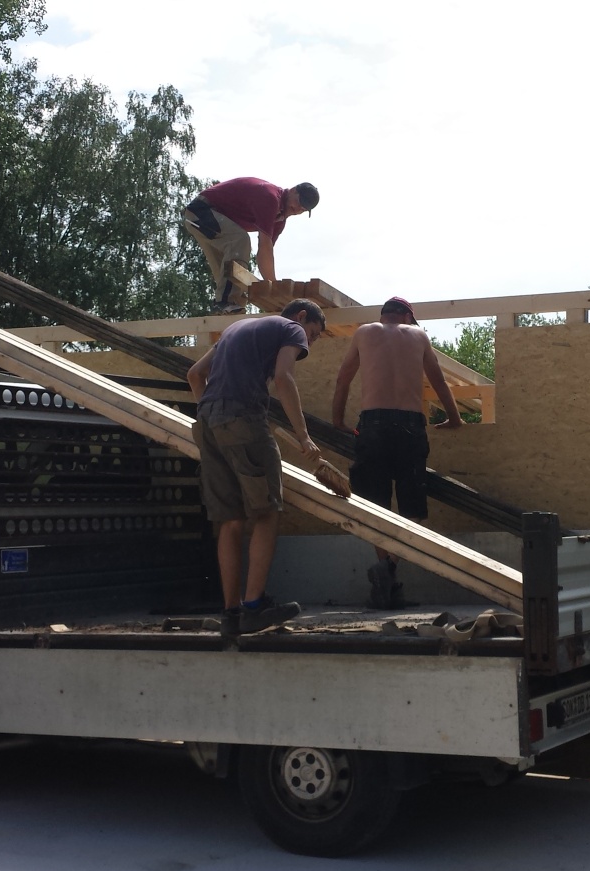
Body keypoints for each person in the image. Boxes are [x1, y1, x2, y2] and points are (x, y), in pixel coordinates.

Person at [186, 298, 327, 635]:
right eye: (313, 334)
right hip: (243, 418)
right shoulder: (290, 327)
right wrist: (303, 436)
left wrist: (215, 416)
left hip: (207, 423)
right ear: (302, 316)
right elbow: (284, 378)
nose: (308, 342)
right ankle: (253, 607)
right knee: (266, 512)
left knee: (231, 520)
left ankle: (231, 614)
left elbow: (194, 375)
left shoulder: (236, 328)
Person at [330, 296, 463, 609]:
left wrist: (338, 421)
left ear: (383, 316)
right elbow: (439, 381)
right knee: (412, 505)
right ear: (406, 316)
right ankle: (389, 568)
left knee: (374, 505)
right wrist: (455, 418)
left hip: (372, 425)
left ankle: (385, 575)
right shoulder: (418, 335)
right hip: (410, 426)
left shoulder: (364, 332)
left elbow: (343, 379)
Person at [182, 178, 319, 314]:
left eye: (304, 209)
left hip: (206, 219)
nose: (298, 209)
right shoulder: (270, 198)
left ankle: (229, 309)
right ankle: (226, 302)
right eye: (300, 202)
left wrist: (272, 287)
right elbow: (264, 246)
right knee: (239, 241)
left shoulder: (279, 220)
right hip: (201, 212)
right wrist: (274, 287)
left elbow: (265, 254)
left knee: (227, 272)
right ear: (293, 190)